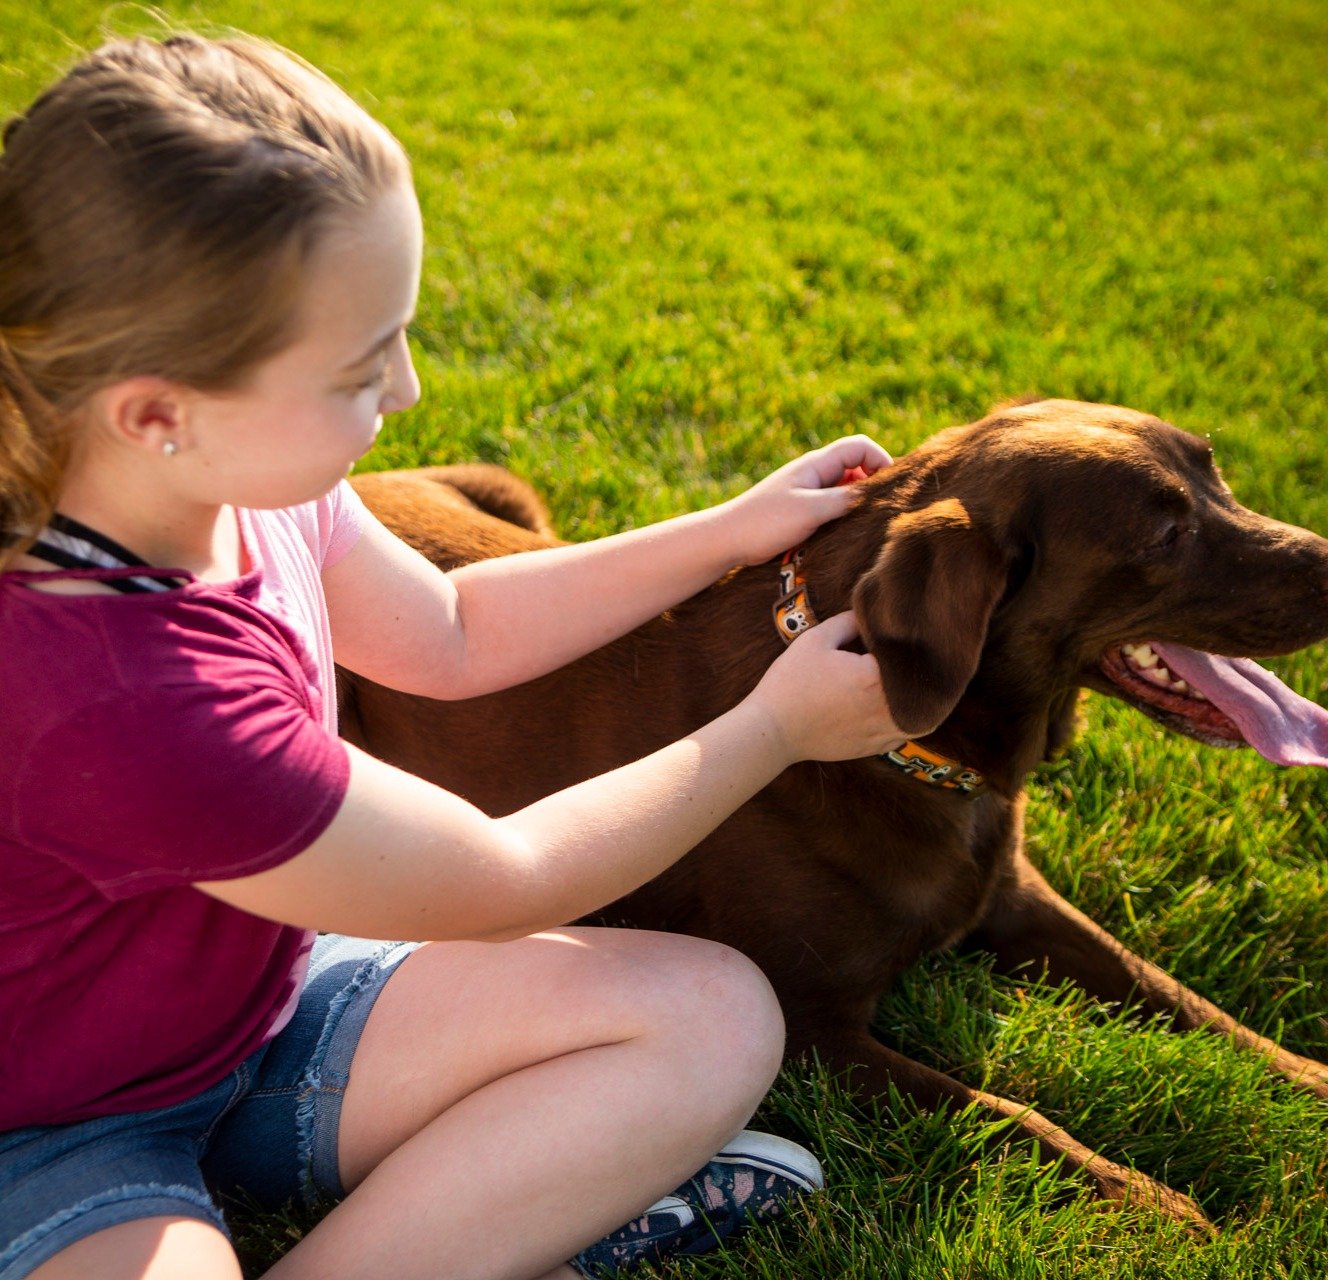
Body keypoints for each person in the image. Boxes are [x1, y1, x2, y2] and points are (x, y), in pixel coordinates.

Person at [0, 32, 914, 1280]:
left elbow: (454, 630)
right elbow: (505, 877)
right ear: (157, 412)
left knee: (711, 1013)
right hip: (42, 1134)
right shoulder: (120, 688)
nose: (410, 389)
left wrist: (725, 532)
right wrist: (770, 726)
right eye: (362, 363)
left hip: (257, 1017)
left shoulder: (247, 489)